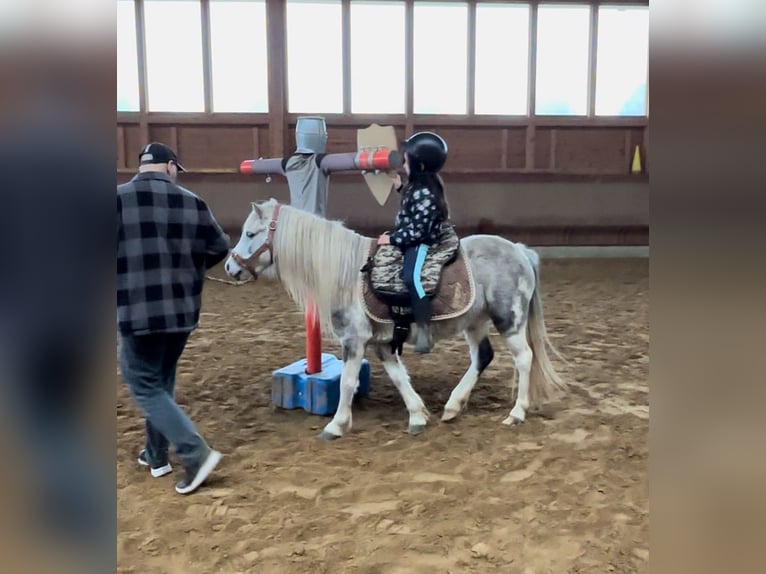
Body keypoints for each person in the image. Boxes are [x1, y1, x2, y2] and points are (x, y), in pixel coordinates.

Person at [117, 142, 230, 494]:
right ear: (169, 167)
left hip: (136, 310)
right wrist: (188, 268)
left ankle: (195, 453)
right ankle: (156, 454)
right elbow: (220, 246)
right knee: (160, 381)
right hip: (181, 311)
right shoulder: (193, 201)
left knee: (144, 383)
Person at [377, 131, 450, 354]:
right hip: (411, 234)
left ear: (418, 165)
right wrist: (399, 186)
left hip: (422, 242)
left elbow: (418, 231)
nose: (404, 163)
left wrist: (392, 239)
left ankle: (424, 330)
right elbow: (411, 204)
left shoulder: (426, 193)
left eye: (407, 160)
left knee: (411, 277)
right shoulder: (417, 187)